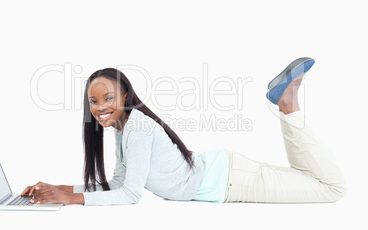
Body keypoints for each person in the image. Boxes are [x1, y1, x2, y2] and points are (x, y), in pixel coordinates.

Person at [22, 57, 347, 205]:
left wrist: (69, 197)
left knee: (332, 189)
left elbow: (130, 196)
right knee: (308, 176)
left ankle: (288, 104)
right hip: (226, 172)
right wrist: (58, 189)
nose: (101, 106)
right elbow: (121, 184)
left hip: (233, 182)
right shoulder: (125, 130)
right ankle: (287, 102)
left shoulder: (137, 129)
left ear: (124, 96)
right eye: (94, 101)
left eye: (108, 98)